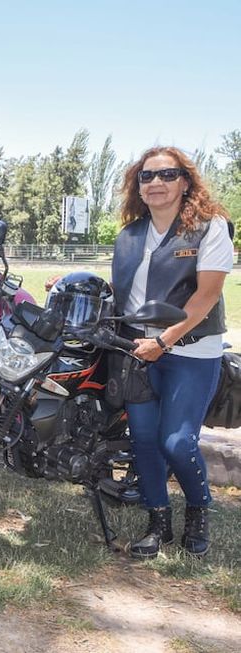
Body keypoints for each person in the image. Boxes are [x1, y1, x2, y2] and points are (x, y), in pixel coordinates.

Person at [113, 146, 233, 558]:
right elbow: (127, 294)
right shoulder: (128, 235)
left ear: (185, 181)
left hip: (191, 350)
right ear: (138, 186)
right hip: (136, 348)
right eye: (147, 177)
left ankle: (199, 510)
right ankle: (157, 520)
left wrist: (163, 342)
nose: (156, 183)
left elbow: (206, 296)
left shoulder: (209, 227)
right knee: (144, 440)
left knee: (177, 442)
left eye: (167, 175)